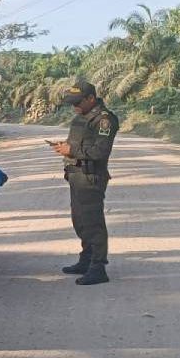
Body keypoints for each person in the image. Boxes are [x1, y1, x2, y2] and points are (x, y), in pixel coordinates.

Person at [51, 80, 119, 286]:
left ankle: (98, 267)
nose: (75, 106)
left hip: (91, 178)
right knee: (80, 221)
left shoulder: (104, 120)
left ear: (91, 98)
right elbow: (79, 143)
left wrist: (72, 151)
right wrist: (65, 147)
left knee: (93, 223)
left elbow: (100, 152)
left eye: (78, 102)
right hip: (76, 175)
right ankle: (86, 258)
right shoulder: (82, 116)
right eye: (72, 103)